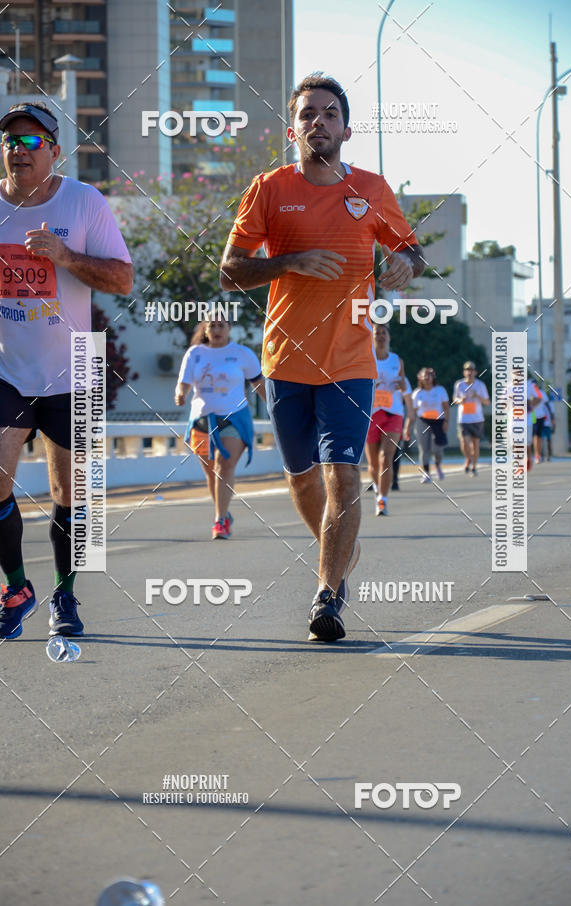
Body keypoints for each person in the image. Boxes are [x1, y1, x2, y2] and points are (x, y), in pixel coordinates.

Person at [219, 72, 424, 641]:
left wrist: (405, 265)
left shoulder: (371, 189)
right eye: (307, 114)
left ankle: (327, 595)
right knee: (302, 480)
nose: (319, 122)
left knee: (342, 474)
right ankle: (339, 553)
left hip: (351, 360)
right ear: (292, 130)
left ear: (346, 130)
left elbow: (413, 252)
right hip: (285, 359)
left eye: (330, 114)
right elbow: (230, 271)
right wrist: (290, 261)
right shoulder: (268, 189)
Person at [0, 101, 133, 641]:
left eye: (32, 141)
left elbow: (122, 279)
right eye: (10, 141)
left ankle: (64, 594)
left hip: (74, 367)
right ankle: (16, 588)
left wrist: (66, 255)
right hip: (7, 369)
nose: (19, 150)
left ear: (54, 151)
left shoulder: (83, 201)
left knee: (72, 497)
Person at [174, 316, 266, 539]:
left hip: (234, 417)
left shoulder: (243, 354)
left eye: (221, 325)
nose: (216, 330)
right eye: (212, 326)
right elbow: (183, 382)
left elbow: (258, 383)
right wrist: (180, 393)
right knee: (211, 472)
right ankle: (223, 512)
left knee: (223, 465)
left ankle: (220, 521)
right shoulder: (195, 354)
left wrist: (276, 408)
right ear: (205, 329)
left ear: (229, 328)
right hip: (202, 418)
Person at [365, 324, 413, 514]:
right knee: (373, 464)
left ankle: (382, 499)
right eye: (377, 333)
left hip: (393, 413)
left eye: (384, 333)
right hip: (370, 414)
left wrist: (401, 385)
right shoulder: (365, 359)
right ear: (372, 337)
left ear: (389, 337)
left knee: (386, 457)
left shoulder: (397, 360)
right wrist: (372, 386)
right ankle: (378, 488)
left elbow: (404, 385)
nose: (381, 336)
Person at [412, 368, 449, 483]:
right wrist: (408, 426)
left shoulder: (440, 390)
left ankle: (437, 465)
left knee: (437, 449)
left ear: (433, 377)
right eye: (424, 376)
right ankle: (426, 473)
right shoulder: (417, 393)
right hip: (422, 421)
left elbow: (446, 407)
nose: (427, 378)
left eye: (429, 376)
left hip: (438, 421)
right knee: (424, 448)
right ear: (420, 378)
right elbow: (413, 411)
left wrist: (446, 421)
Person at [452, 360, 489, 476]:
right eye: (467, 370)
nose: (469, 372)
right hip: (463, 419)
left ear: (475, 372)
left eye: (471, 370)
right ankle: (468, 458)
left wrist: (477, 396)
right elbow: (454, 399)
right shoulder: (459, 384)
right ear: (464, 372)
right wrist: (460, 400)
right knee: (464, 443)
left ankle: (474, 467)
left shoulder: (480, 385)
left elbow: (487, 402)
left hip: (477, 419)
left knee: (475, 444)